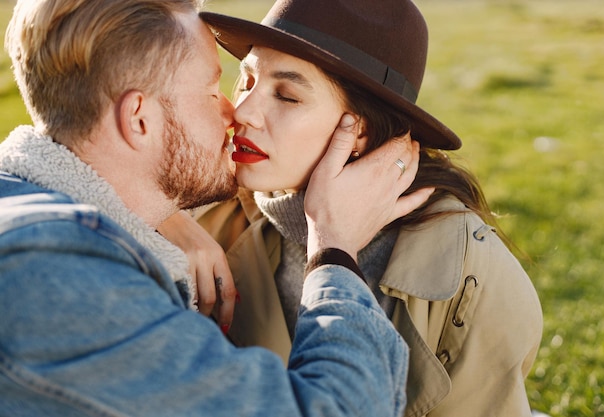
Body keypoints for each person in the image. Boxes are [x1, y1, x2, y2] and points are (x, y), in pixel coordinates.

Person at [0, 0, 434, 415]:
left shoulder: (33, 218)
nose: (235, 111)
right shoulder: (61, 276)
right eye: (214, 91)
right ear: (138, 120)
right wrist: (335, 247)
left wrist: (153, 220)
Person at [192, 1, 544, 416]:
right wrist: (171, 225)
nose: (244, 112)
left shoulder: (468, 269)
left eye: (286, 96)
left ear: (359, 130)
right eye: (247, 80)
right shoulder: (210, 216)